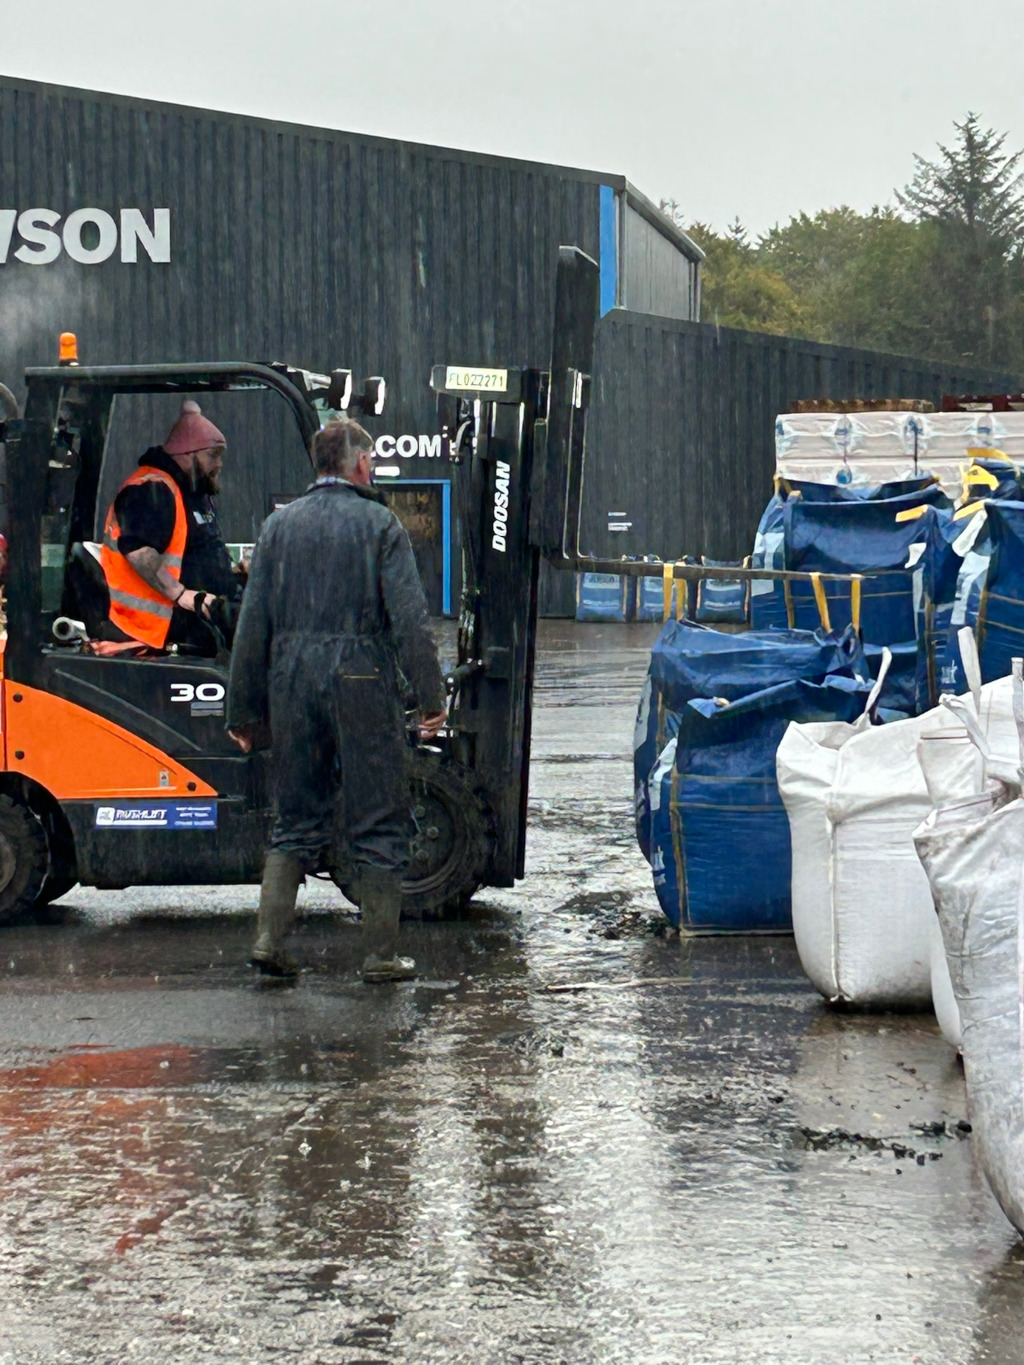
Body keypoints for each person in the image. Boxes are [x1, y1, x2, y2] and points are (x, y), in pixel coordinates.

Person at [226, 416, 446, 982]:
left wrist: (244, 710)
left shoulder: (278, 529)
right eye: (369, 459)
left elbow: (253, 626)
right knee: (377, 813)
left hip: (291, 680)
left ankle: (270, 941)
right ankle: (379, 956)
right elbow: (410, 622)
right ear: (357, 464)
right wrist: (431, 697)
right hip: (360, 680)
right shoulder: (379, 524)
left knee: (295, 815)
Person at [99, 400, 242, 653]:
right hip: (154, 624)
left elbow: (191, 553)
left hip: (190, 615)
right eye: (213, 456)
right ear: (187, 454)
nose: (219, 464)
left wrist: (232, 572)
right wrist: (181, 594)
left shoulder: (189, 492)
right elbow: (138, 550)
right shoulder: (152, 490)